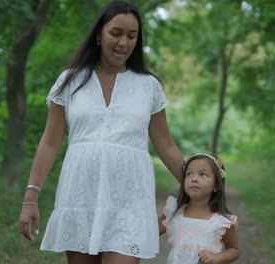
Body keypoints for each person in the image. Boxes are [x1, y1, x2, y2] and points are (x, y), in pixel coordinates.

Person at [18, 1, 184, 263]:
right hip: (80, 194)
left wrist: (202, 186)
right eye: (115, 33)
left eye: (132, 36)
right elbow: (50, 143)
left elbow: (166, 145)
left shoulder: (148, 86)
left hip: (130, 198)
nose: (123, 43)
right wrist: (31, 197)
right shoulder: (70, 81)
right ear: (98, 34)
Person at [158, 153, 240, 264]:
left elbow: (234, 250)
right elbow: (150, 231)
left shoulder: (221, 222)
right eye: (189, 174)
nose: (194, 179)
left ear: (216, 185)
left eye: (203, 174)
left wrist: (216, 258)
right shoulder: (174, 211)